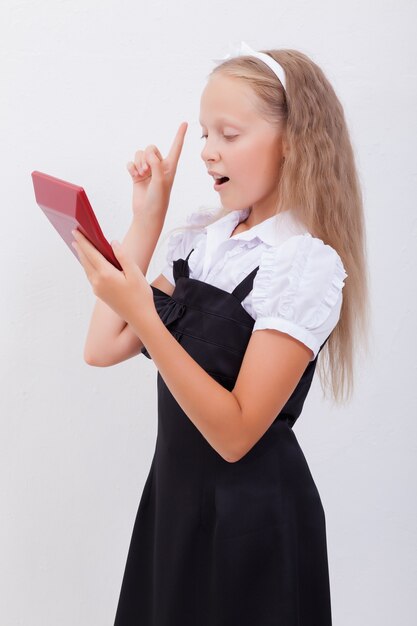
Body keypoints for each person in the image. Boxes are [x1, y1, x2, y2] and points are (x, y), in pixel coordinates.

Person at [71, 41, 369, 625]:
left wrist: (149, 318)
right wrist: (146, 219)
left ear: (294, 141)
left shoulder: (304, 265)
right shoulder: (202, 244)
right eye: (206, 134)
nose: (207, 153)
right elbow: (102, 346)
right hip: (174, 511)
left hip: (252, 526)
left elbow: (234, 434)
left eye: (228, 135)